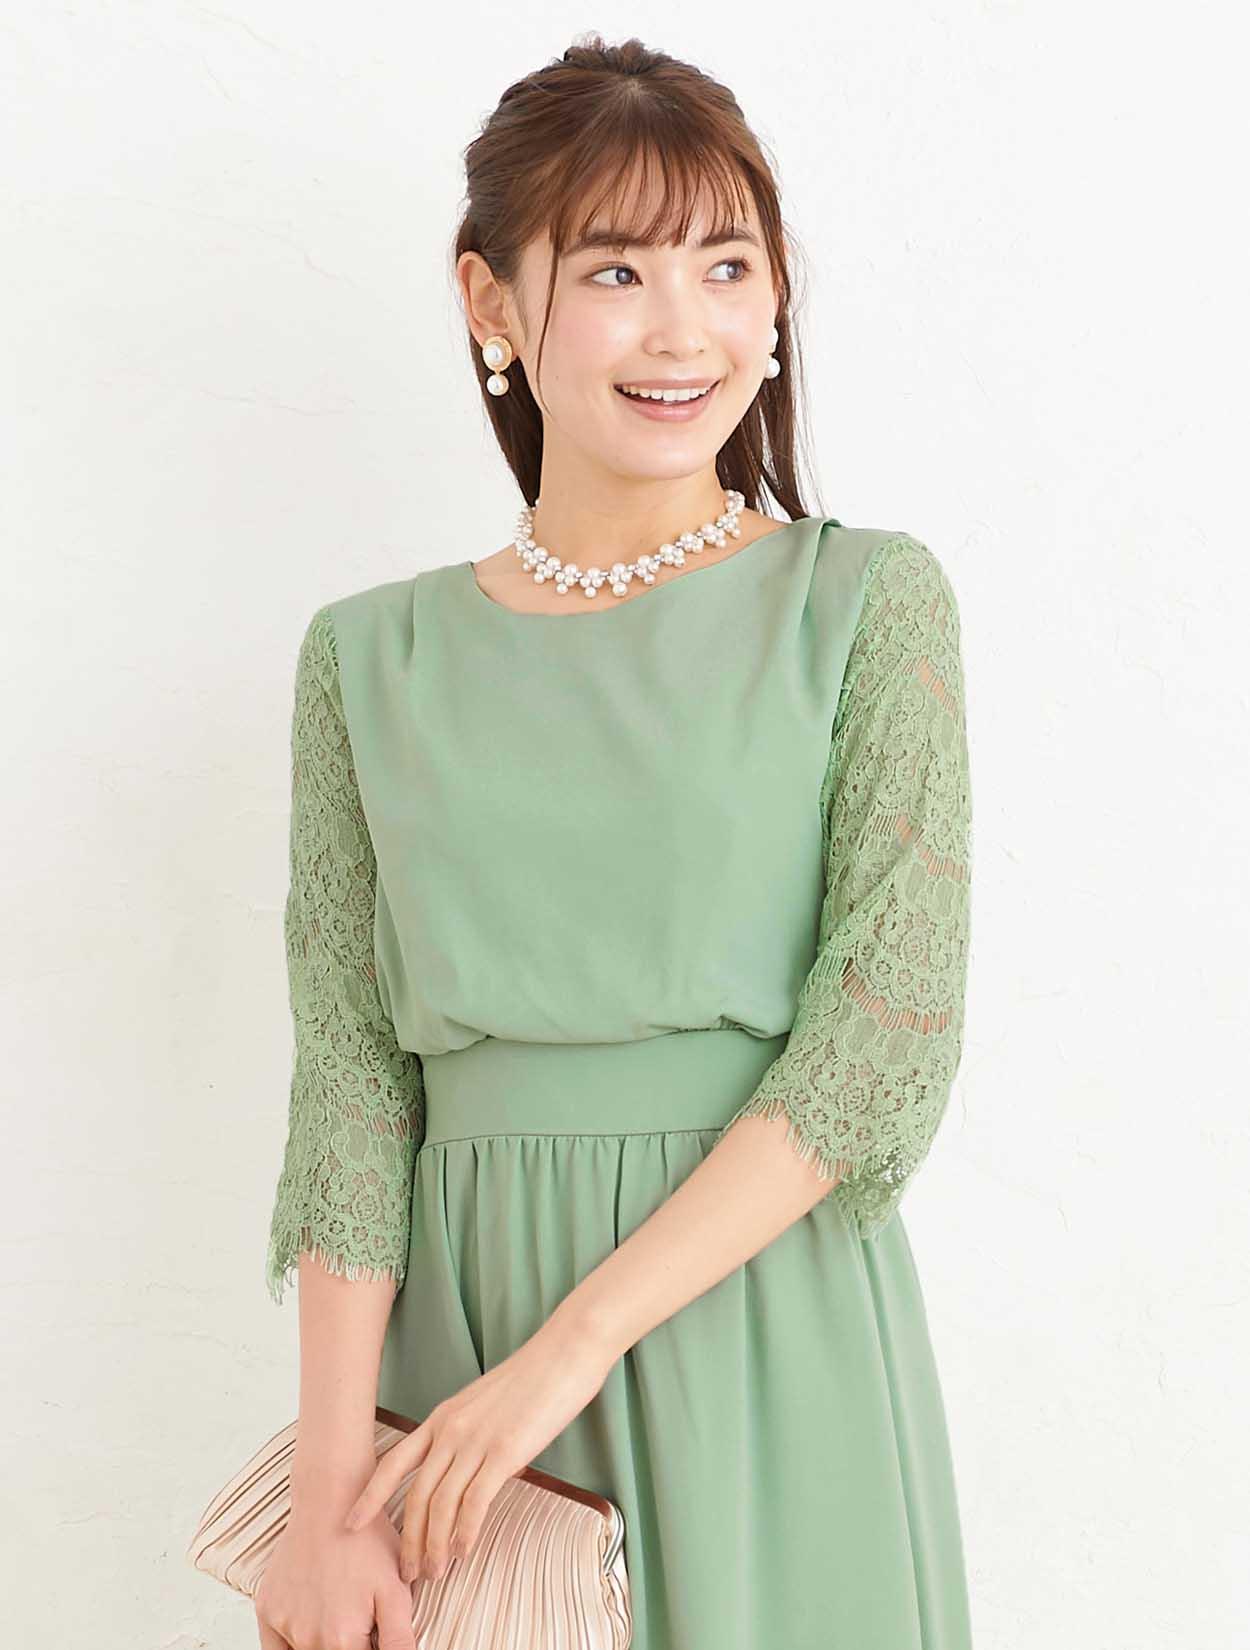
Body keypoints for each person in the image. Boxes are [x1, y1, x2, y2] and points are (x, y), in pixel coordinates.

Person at [254, 32, 974, 1650]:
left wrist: (570, 1351)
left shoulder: (861, 605)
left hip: (759, 1326)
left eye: (726, 265)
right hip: (451, 1377)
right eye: (614, 271)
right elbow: (352, 1082)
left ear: (775, 296)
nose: (681, 328)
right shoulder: (370, 659)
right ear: (491, 303)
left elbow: (878, 1043)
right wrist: (325, 1497)